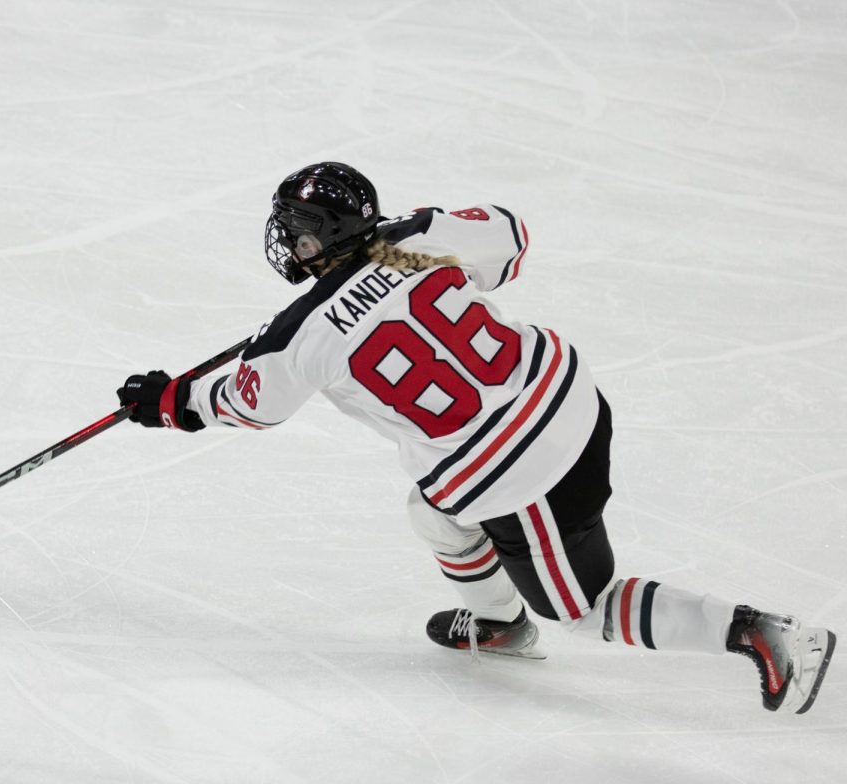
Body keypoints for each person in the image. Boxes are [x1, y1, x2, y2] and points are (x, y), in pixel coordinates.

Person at [117, 161, 836, 714]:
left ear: (315, 239)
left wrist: (168, 401)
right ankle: (498, 623)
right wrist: (416, 228)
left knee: (581, 609)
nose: (288, 243)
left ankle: (765, 635)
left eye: (297, 230)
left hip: (518, 475)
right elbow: (510, 237)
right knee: (430, 512)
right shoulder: (416, 245)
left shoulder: (297, 338)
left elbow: (249, 405)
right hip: (572, 401)